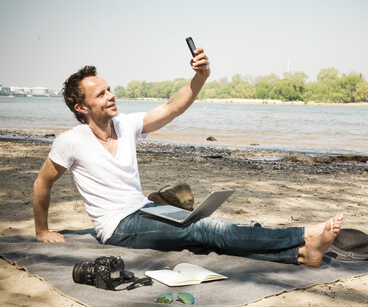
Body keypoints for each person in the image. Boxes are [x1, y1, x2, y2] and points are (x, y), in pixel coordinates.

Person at [33, 47, 343, 266]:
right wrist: (42, 231)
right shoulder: (70, 142)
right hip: (118, 228)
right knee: (206, 230)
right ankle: (304, 234)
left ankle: (300, 255)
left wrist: (201, 77)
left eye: (109, 89)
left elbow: (171, 108)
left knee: (204, 229)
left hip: (146, 210)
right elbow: (42, 183)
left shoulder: (125, 125)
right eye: (101, 94)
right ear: (81, 108)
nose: (111, 95)